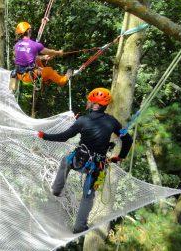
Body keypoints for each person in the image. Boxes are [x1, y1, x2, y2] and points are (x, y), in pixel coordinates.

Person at [33, 88, 133, 234]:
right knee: (88, 195)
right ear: (104, 105)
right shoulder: (112, 122)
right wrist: (120, 156)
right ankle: (79, 226)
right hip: (97, 167)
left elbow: (64, 137)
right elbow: (127, 139)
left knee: (65, 161)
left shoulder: (83, 120)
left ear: (92, 104)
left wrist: (44, 136)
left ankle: (56, 189)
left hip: (78, 160)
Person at [14, 21, 72, 86]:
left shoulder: (17, 45)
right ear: (29, 31)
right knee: (49, 71)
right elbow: (50, 52)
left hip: (20, 75)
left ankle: (45, 78)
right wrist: (58, 52)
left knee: (38, 61)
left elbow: (28, 57)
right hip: (30, 75)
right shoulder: (34, 44)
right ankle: (63, 80)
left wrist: (43, 57)